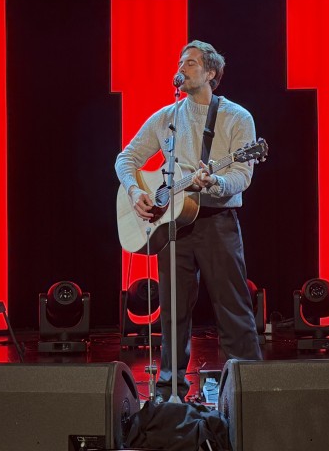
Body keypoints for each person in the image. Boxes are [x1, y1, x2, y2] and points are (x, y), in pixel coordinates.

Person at [115, 40, 263, 403]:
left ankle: (244, 391)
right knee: (173, 313)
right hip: (172, 227)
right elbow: (126, 158)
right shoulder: (167, 117)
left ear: (211, 73)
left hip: (217, 222)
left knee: (232, 307)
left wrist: (216, 182)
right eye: (181, 62)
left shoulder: (237, 118)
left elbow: (243, 176)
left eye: (192, 63)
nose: (183, 68)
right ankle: (170, 391)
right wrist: (136, 192)